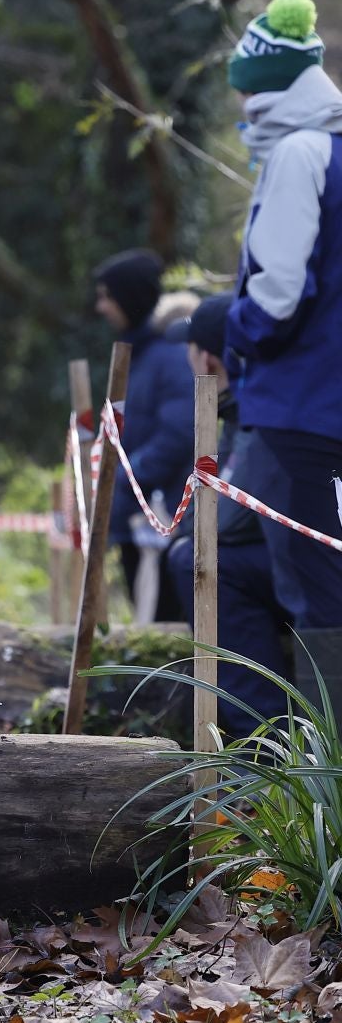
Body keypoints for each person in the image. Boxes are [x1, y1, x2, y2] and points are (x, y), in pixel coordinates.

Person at [225, 0, 342, 618]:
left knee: (314, 589)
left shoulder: (299, 153)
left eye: (243, 92)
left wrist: (231, 335)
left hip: (298, 412)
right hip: (331, 404)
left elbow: (277, 296)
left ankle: (327, 720)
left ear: (264, 90)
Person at [160, 294, 289, 732]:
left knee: (196, 559)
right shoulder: (249, 406)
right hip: (298, 564)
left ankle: (266, 738)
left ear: (209, 359)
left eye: (190, 355)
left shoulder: (255, 414)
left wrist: (185, 529)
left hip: (309, 570)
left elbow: (231, 518)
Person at [91, 247, 194, 621]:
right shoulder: (141, 357)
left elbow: (180, 433)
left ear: (128, 298)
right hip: (138, 517)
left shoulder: (169, 358)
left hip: (162, 519)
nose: (101, 307)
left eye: (107, 296)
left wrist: (123, 478)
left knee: (165, 625)